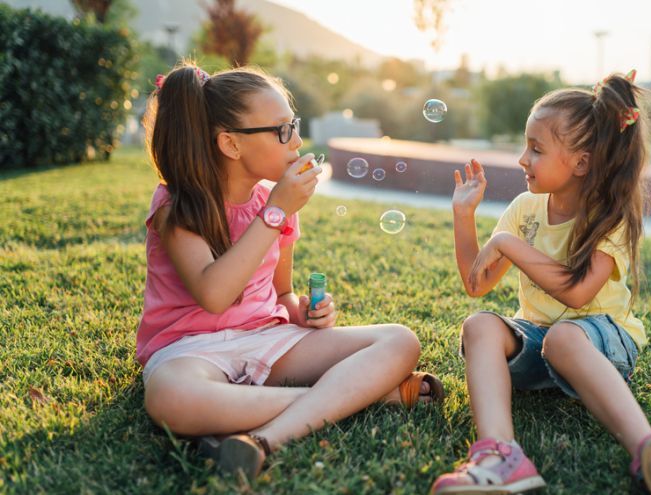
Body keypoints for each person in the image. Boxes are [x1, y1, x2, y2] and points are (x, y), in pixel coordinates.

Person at [137, 63, 444, 479]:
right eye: (282, 130)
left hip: (269, 340)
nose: (297, 140)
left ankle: (266, 434)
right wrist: (275, 210)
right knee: (171, 398)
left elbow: (281, 295)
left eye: (294, 125)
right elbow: (214, 295)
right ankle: (357, 397)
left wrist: (305, 312)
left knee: (399, 341)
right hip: (190, 350)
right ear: (231, 144)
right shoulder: (178, 205)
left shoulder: (276, 203)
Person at [432, 70, 651, 495]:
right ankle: (501, 458)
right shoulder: (526, 208)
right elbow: (476, 284)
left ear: (581, 162)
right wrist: (464, 216)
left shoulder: (607, 217)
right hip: (541, 344)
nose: (523, 159)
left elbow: (578, 293)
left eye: (536, 149)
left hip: (602, 344)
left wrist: (507, 243)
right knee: (480, 324)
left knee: (562, 338)